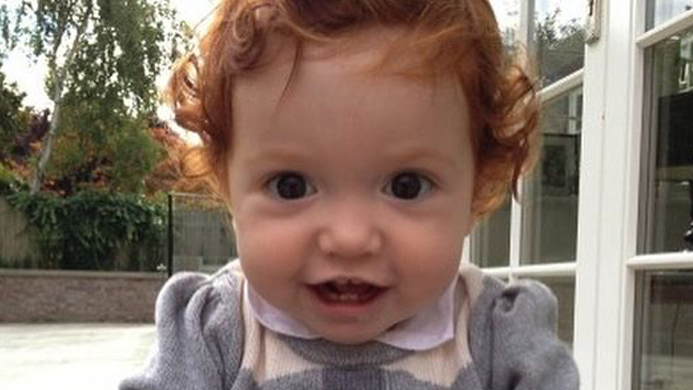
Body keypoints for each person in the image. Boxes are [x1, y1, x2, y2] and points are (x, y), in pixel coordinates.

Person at [120, 0, 579, 389]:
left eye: (406, 186)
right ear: (227, 184)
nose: (350, 238)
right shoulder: (214, 336)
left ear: (478, 184)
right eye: (291, 186)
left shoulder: (499, 340)